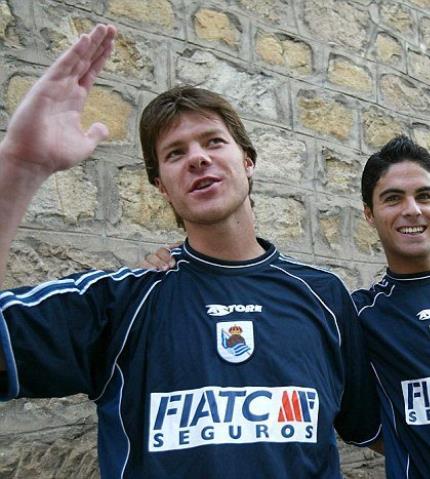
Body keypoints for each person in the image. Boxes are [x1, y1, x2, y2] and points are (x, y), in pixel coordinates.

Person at [0, 24, 380, 478]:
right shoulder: (120, 303)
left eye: (213, 141)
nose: (198, 158)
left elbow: (376, 429)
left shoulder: (325, 295)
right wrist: (19, 167)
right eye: (175, 153)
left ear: (247, 161)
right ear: (161, 186)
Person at [143, 135, 430, 478]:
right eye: (393, 199)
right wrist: (180, 269)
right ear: (369, 215)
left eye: (424, 196)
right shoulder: (358, 316)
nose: (411, 209)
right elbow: (357, 421)